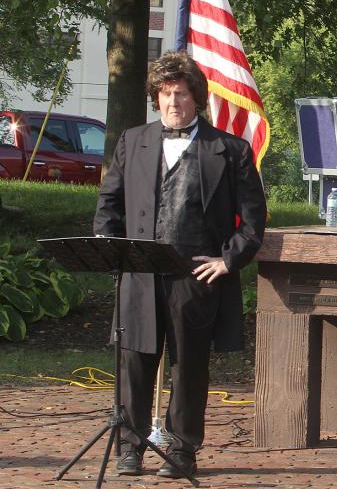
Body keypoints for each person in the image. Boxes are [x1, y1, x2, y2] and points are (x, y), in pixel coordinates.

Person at [94, 52, 267, 478]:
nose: (174, 102)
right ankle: (129, 449)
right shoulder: (133, 141)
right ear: (156, 98)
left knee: (188, 367)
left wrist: (228, 261)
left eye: (182, 94)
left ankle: (182, 450)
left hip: (195, 277)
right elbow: (109, 205)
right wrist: (110, 246)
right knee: (133, 364)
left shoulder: (230, 150)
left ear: (197, 98)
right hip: (139, 273)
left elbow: (254, 220)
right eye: (166, 94)